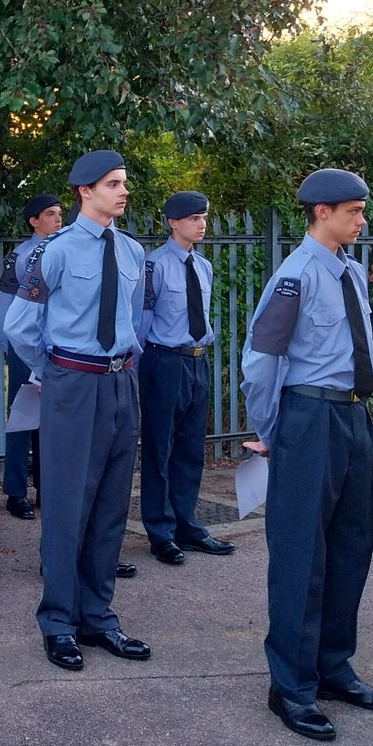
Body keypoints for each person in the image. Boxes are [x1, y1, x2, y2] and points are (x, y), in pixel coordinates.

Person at [241, 168, 373, 742]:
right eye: (353, 212)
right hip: (309, 418)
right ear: (322, 212)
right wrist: (274, 430)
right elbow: (261, 363)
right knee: (301, 554)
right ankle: (292, 686)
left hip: (353, 417)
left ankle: (333, 667)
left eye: (363, 211)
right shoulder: (295, 277)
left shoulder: (349, 270)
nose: (362, 221)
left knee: (351, 546)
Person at [5, 149, 151, 672]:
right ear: (85, 192)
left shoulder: (133, 251)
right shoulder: (56, 251)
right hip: (72, 383)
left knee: (112, 503)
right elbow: (20, 325)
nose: (123, 191)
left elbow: (131, 319)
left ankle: (98, 616)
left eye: (124, 183)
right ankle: (59, 622)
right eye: (112, 184)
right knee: (68, 505)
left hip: (120, 384)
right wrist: (54, 371)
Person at [137, 191, 233, 566]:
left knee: (191, 448)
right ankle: (160, 532)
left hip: (196, 361)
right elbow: (143, 322)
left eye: (204, 217)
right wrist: (142, 369)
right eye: (194, 218)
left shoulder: (203, 266)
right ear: (173, 222)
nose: (201, 224)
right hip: (164, 361)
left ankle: (186, 525)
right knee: (159, 448)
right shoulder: (154, 265)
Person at [0, 193, 62, 519]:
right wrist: (11, 348)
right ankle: (16, 493)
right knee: (22, 419)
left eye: (60, 213)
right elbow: (3, 306)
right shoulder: (20, 257)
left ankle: (48, 489)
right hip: (25, 348)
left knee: (53, 421)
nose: (58, 219)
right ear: (34, 221)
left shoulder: (67, 250)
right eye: (50, 214)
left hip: (59, 349)